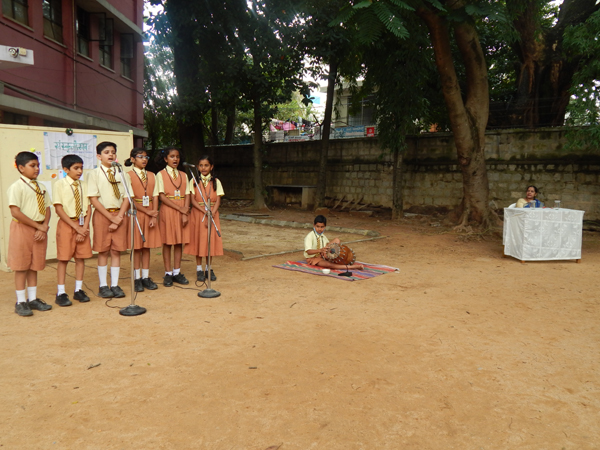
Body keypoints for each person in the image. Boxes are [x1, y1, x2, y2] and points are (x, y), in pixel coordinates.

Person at [7, 151, 53, 316]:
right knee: (21, 266)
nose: (36, 169)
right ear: (21, 168)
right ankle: (20, 301)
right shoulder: (16, 187)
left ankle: (32, 299)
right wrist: (37, 226)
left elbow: (47, 208)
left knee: (34, 265)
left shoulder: (41, 186)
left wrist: (45, 226)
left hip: (40, 230)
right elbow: (15, 212)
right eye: (32, 166)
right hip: (22, 229)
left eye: (38, 165)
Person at [87, 141, 131, 299]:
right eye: (106, 152)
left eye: (113, 152)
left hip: (119, 215)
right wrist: (111, 217)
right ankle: (103, 285)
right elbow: (93, 198)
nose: (110, 155)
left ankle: (115, 284)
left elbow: (127, 196)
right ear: (99, 156)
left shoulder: (122, 173)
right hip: (103, 215)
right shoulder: (94, 174)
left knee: (116, 250)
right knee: (103, 250)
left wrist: (119, 217)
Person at [53, 154, 92, 306]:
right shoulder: (60, 184)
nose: (79, 171)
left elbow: (89, 207)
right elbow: (58, 208)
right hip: (67, 224)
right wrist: (76, 227)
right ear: (65, 169)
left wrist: (84, 227)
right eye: (76, 168)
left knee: (80, 257)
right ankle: (61, 292)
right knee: (64, 258)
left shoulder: (85, 185)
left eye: (81, 168)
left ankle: (78, 290)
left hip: (82, 225)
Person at [125, 148, 161, 292]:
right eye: (140, 157)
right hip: (136, 213)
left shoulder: (152, 175)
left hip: (150, 212)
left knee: (147, 246)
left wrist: (153, 215)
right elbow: (130, 199)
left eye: (146, 157)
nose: (144, 159)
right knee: (137, 247)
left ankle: (145, 276)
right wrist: (147, 211)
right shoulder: (128, 176)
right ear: (133, 159)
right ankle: (136, 277)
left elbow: (156, 195)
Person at [185, 155, 225, 282]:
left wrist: (212, 212)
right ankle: (198, 269)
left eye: (206, 165)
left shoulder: (216, 182)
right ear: (197, 167)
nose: (203, 168)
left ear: (211, 167)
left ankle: (208, 268)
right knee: (198, 240)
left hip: (213, 213)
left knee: (209, 241)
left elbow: (218, 199)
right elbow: (192, 200)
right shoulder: (193, 181)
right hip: (198, 214)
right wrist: (204, 211)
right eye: (201, 165)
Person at [156, 147, 191, 287]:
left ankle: (177, 272)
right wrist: (179, 209)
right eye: (172, 156)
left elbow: (188, 193)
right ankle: (168, 273)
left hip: (182, 209)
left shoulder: (184, 174)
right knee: (168, 242)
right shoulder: (160, 174)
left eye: (177, 156)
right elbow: (161, 196)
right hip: (169, 210)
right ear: (166, 159)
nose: (175, 159)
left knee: (178, 242)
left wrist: (185, 211)